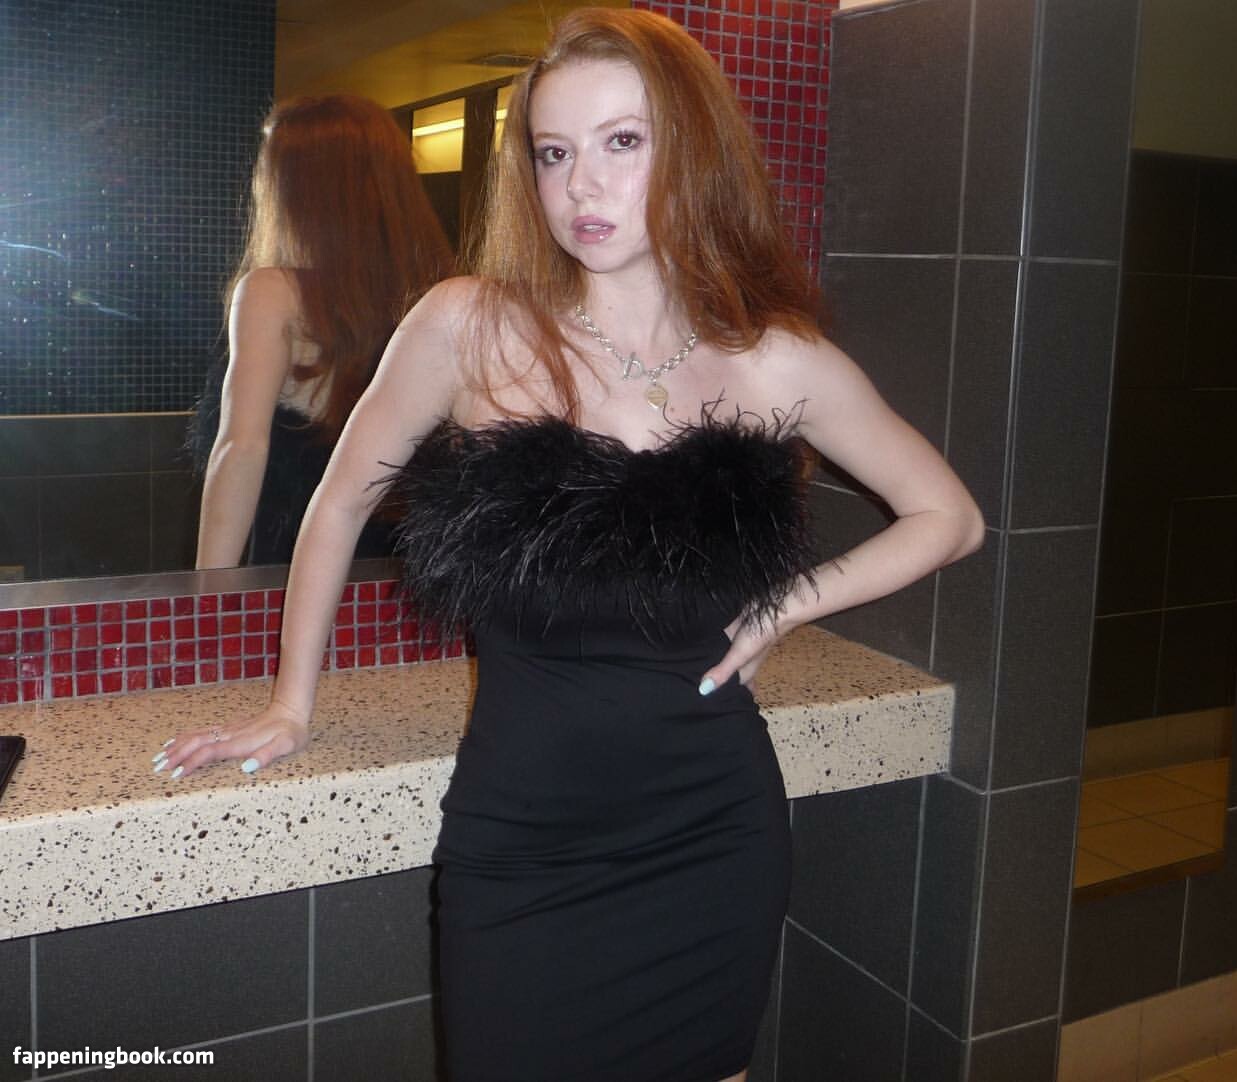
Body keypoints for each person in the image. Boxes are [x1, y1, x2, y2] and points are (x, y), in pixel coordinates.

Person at [157, 10, 983, 1081]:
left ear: (692, 151)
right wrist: (291, 703)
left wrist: (783, 606)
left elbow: (949, 516)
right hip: (523, 845)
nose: (582, 185)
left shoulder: (774, 359)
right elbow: (338, 503)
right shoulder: (468, 325)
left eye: (621, 142)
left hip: (712, 834)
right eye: (554, 153)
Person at [192, 93, 453, 569]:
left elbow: (241, 448)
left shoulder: (273, 293)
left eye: (268, 167)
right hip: (408, 578)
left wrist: (208, 594)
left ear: (299, 186)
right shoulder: (441, 295)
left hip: (297, 576)